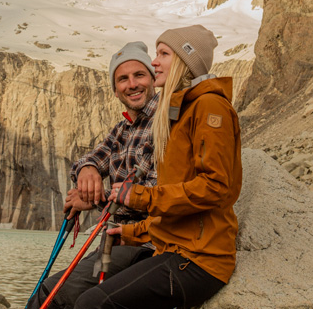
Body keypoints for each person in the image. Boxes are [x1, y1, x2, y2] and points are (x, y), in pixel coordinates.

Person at [73, 24, 242, 309]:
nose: (154, 61)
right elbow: (177, 202)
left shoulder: (210, 107)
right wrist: (131, 234)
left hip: (200, 259)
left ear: (184, 60)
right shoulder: (183, 109)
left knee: (93, 304)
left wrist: (138, 196)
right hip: (174, 250)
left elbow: (215, 188)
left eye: (163, 53)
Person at [27, 41, 158, 309]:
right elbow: (90, 158)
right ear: (114, 90)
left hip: (146, 243)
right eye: (122, 79)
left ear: (153, 79)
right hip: (116, 241)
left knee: (55, 296)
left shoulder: (165, 123)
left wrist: (94, 198)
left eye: (139, 75)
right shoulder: (122, 130)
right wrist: (87, 171)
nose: (131, 84)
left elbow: (152, 189)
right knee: (51, 291)